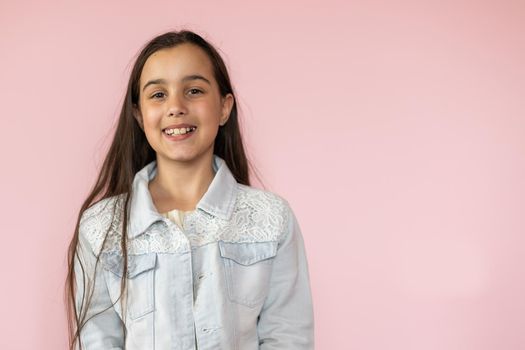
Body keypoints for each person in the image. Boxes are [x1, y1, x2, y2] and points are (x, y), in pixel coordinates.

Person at [64, 29, 314, 350]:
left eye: (194, 90)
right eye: (158, 95)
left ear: (224, 108)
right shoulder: (100, 227)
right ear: (139, 115)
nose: (176, 106)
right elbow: (98, 341)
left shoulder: (272, 218)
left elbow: (288, 338)